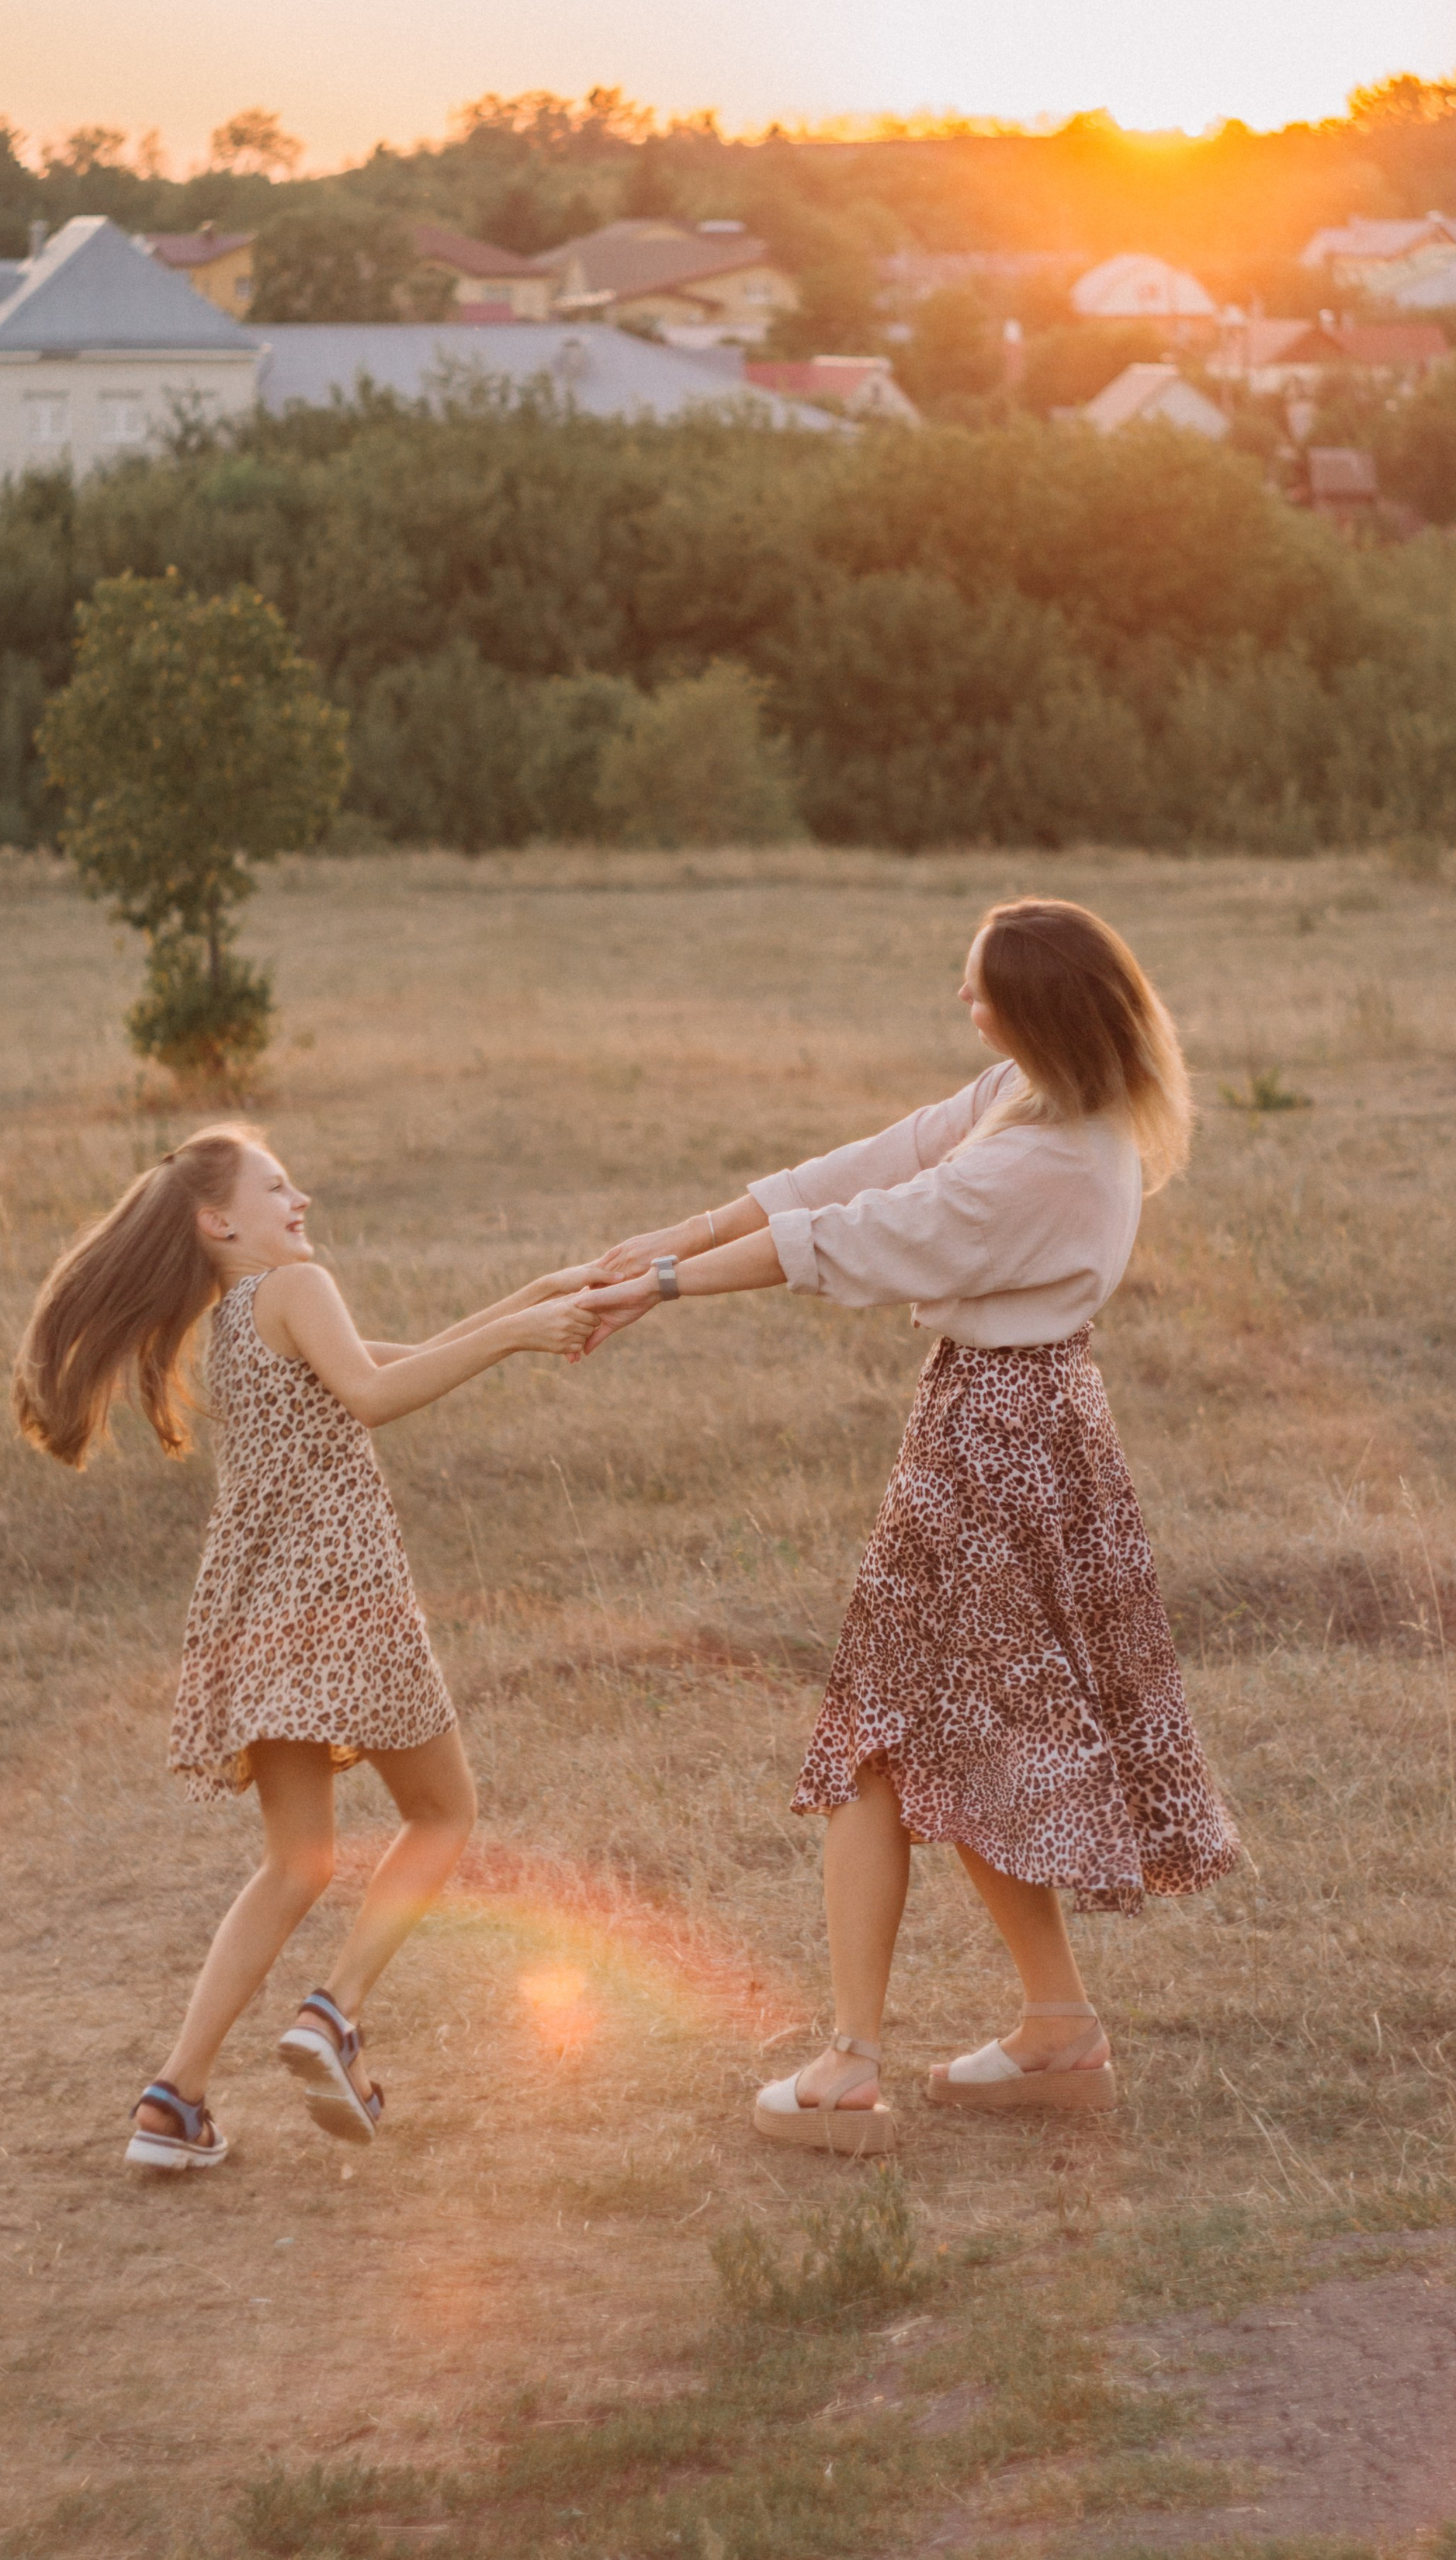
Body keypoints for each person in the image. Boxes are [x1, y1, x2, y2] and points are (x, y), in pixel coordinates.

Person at [573, 897, 1239, 2152]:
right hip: (1012, 1431)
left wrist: (664, 1287)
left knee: (884, 1739)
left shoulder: (1044, 1159)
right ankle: (1054, 2028)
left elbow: (860, 1236)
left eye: (981, 989)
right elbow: (875, 1160)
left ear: (1038, 1013)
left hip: (996, 1449)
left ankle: (849, 2064)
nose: (964, 1004)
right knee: (944, 1742)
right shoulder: (1032, 1099)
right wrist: (682, 1231)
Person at [13, 1125, 598, 2173]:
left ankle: (172, 2101)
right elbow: (378, 1397)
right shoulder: (298, 1287)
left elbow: (390, 1363)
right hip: (345, 1602)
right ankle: (336, 2013)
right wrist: (519, 1335)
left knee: (298, 1862)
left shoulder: (241, 1321)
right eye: (278, 1187)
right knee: (444, 1813)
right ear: (216, 1219)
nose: (303, 1201)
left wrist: (531, 1301)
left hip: (260, 1618)